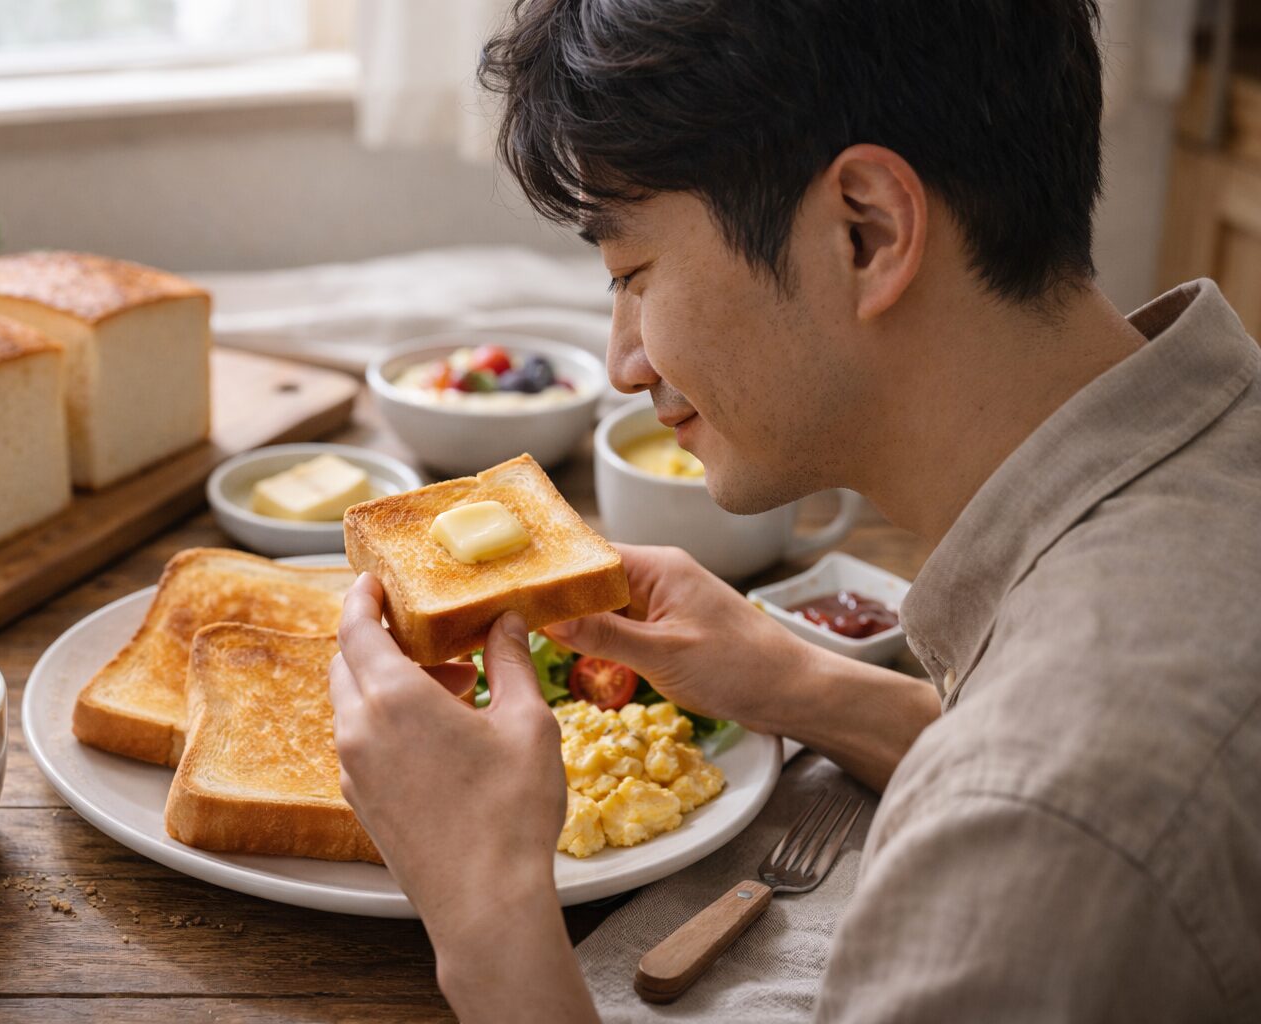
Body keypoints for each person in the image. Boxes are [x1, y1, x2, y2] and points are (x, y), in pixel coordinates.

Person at [326, 1, 1261, 1020]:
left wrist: (487, 915)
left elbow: (1050, 798)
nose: (622, 360)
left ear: (866, 231)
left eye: (633, 272)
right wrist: (810, 688)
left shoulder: (1034, 827)